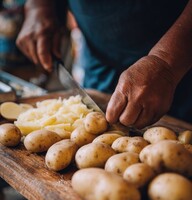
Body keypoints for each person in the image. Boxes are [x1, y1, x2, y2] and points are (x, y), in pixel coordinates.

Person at [16, 0, 192, 129]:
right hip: (99, 54)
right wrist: (39, 6)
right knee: (101, 120)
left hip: (180, 58)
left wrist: (165, 63)